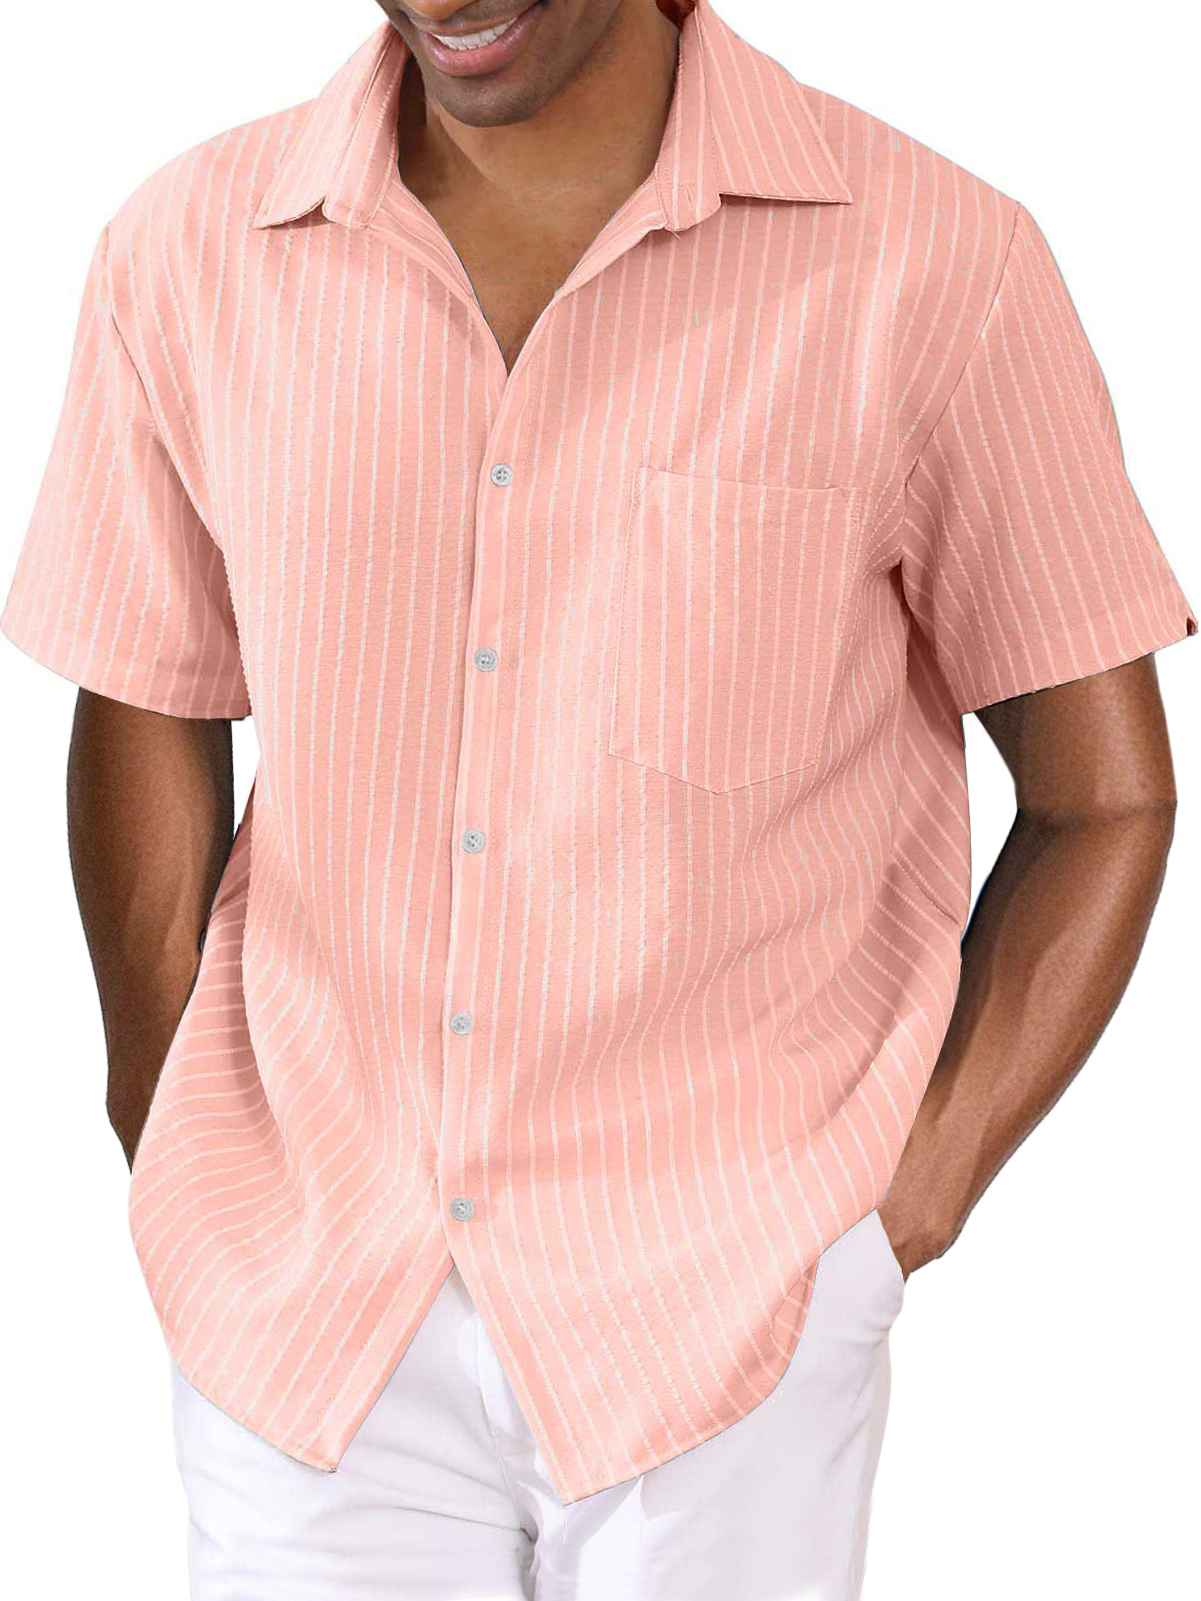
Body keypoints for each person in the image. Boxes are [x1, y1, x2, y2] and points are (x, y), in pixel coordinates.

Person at [2, 0, 1196, 1595]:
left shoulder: (932, 264)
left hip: (726, 1306)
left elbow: (1100, 798)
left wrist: (904, 1201)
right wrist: (173, 1136)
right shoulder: (184, 253)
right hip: (305, 1306)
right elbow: (148, 685)